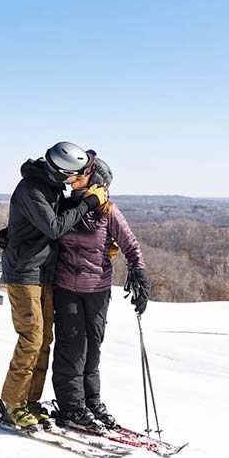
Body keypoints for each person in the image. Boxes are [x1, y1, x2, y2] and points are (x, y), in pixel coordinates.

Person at [0, 142, 109, 430]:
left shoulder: (51, 186)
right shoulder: (31, 189)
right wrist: (89, 203)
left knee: (45, 340)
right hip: (24, 274)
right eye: (74, 174)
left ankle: (30, 401)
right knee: (32, 339)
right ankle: (12, 403)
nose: (76, 179)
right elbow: (55, 227)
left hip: (43, 272)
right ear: (60, 172)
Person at [51, 153, 150, 431]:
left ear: (94, 180)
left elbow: (132, 247)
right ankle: (71, 406)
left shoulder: (108, 211)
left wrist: (140, 275)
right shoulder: (62, 206)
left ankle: (91, 401)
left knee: (93, 347)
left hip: (97, 290)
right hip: (66, 289)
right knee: (72, 347)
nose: (73, 179)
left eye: (80, 174)